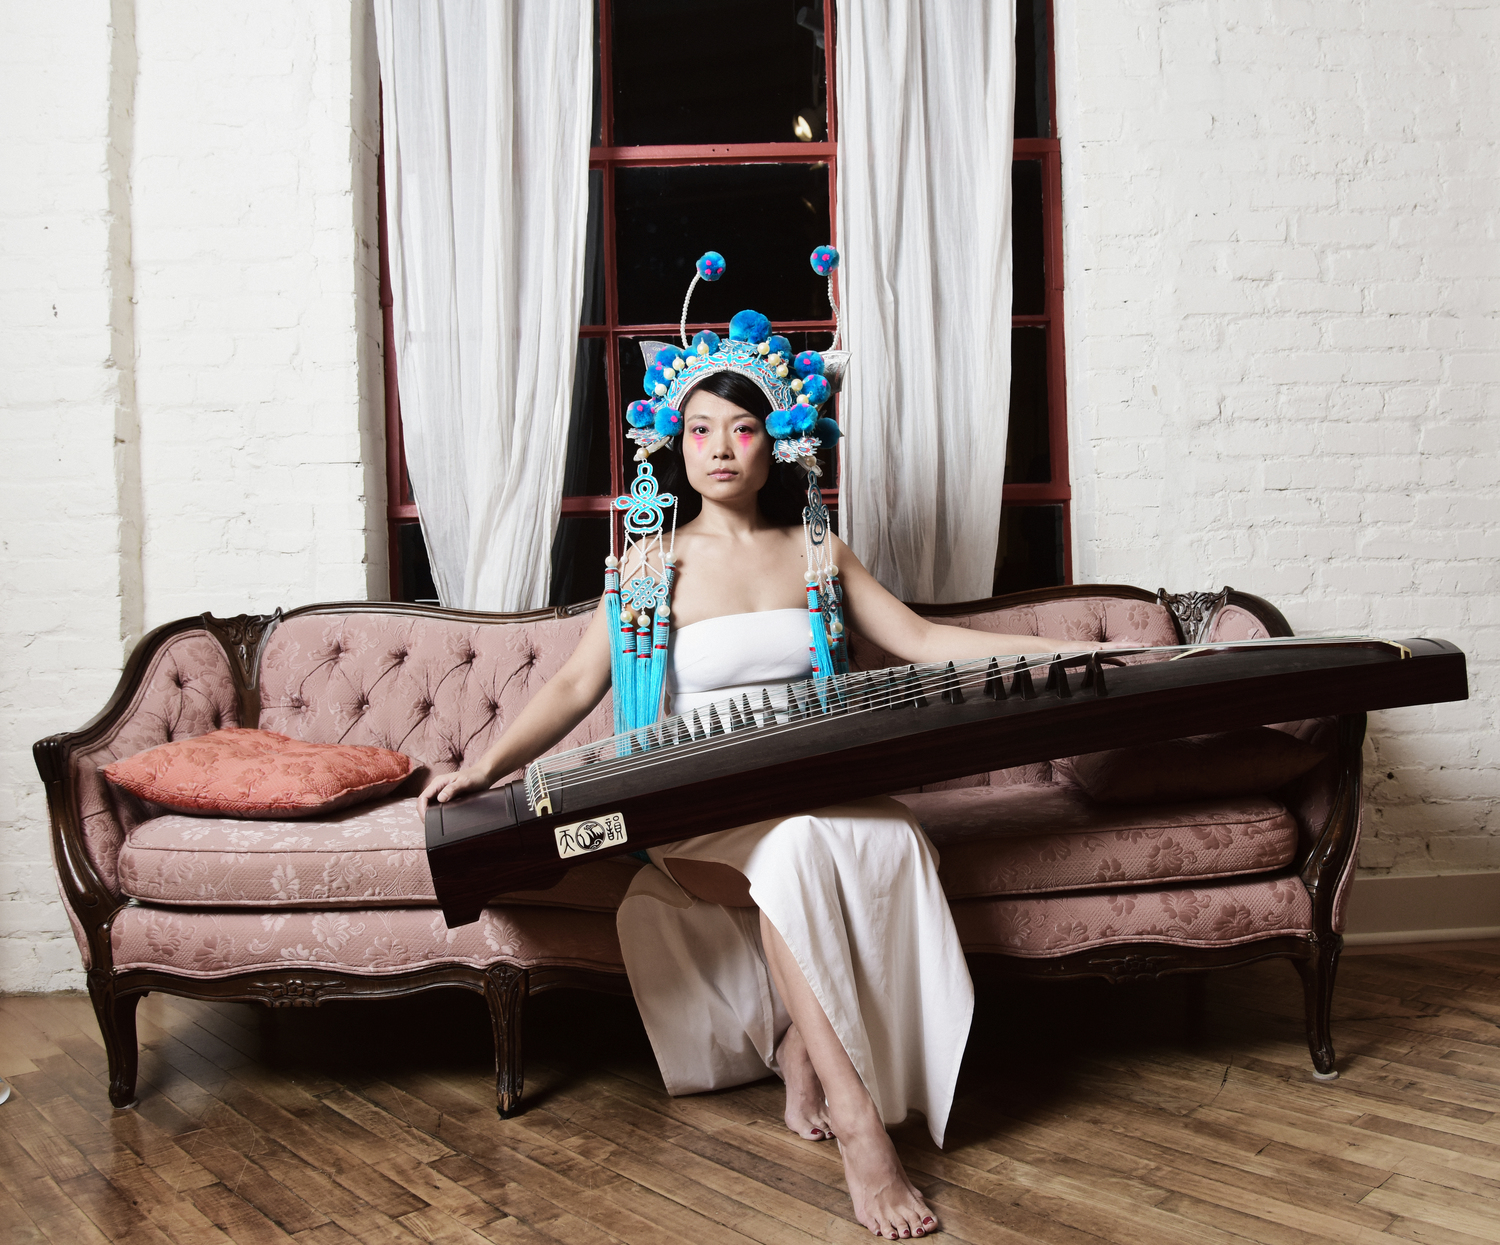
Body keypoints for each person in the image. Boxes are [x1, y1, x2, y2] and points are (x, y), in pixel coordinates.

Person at [419, 251, 1103, 1239]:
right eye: (700, 429)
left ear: (779, 441)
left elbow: (921, 642)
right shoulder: (650, 565)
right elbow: (577, 682)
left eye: (743, 428)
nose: (721, 448)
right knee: (786, 855)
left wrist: (1079, 649)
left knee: (881, 839)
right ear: (673, 443)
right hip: (701, 812)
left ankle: (798, 1046)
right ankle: (864, 1133)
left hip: (817, 786)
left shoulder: (816, 551)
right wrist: (487, 766)